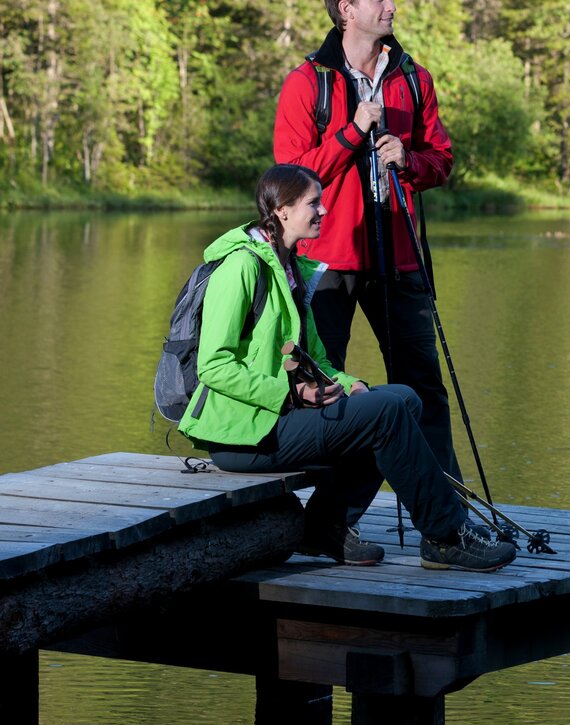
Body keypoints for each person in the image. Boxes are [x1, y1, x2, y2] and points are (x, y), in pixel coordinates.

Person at [177, 164, 515, 573]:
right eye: (313, 203)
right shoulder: (241, 267)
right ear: (282, 210)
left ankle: (327, 527)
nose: (323, 211)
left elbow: (315, 360)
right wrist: (290, 394)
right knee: (384, 414)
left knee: (400, 398)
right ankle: (446, 537)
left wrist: (351, 384)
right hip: (242, 434)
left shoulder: (291, 267)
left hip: (274, 419)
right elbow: (214, 365)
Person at [273, 0, 461, 481]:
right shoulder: (307, 82)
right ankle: (328, 522)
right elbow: (290, 179)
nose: (392, 6)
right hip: (327, 262)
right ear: (347, 9)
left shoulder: (413, 78)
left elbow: (441, 159)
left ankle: (448, 520)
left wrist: (410, 160)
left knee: (424, 389)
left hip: (399, 259)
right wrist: (353, 132)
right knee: (321, 387)